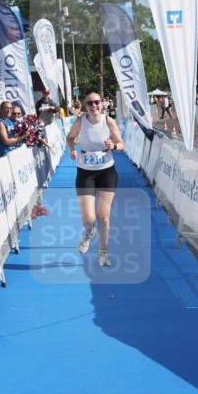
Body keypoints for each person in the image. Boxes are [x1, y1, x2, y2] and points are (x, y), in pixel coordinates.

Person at [65, 91, 125, 268]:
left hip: (107, 172)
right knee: (89, 218)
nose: (94, 106)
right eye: (90, 103)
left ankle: (103, 253)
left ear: (102, 103)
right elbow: (69, 138)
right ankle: (88, 233)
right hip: (85, 173)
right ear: (86, 106)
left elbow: (121, 145)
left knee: (103, 216)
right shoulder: (80, 121)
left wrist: (113, 145)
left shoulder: (109, 121)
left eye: (97, 102)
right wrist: (72, 149)